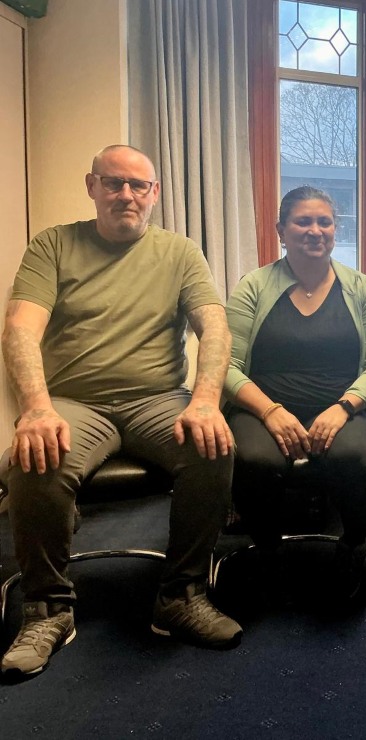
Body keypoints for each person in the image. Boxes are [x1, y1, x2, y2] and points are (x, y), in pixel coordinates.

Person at [1, 144, 242, 677]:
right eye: (114, 183)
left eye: (138, 186)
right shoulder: (53, 246)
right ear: (92, 186)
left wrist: (204, 401)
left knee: (214, 445)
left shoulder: (180, 253)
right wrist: (36, 409)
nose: (126, 195)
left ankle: (180, 595)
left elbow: (215, 327)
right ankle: (48, 609)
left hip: (157, 399)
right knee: (34, 460)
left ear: (154, 194)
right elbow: (20, 326)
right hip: (73, 401)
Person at [224, 186, 366, 600]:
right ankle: (267, 549)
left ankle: (353, 546)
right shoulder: (254, 287)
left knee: (352, 457)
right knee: (255, 459)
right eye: (303, 221)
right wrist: (269, 411)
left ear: (335, 229)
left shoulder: (362, 288)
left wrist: (343, 408)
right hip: (263, 407)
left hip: (340, 406)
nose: (315, 231)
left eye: (325, 222)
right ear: (282, 230)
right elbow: (224, 366)